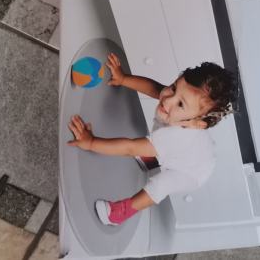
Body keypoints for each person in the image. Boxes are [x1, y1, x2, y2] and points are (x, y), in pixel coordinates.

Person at [68, 52, 237, 226]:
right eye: (174, 87)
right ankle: (151, 159)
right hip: (193, 149)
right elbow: (155, 88)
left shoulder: (174, 138)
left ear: (196, 123)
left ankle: (119, 213)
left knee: (160, 185)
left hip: (193, 172)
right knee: (156, 147)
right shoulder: (177, 104)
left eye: (180, 104)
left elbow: (130, 148)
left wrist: (91, 142)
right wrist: (123, 79)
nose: (168, 100)